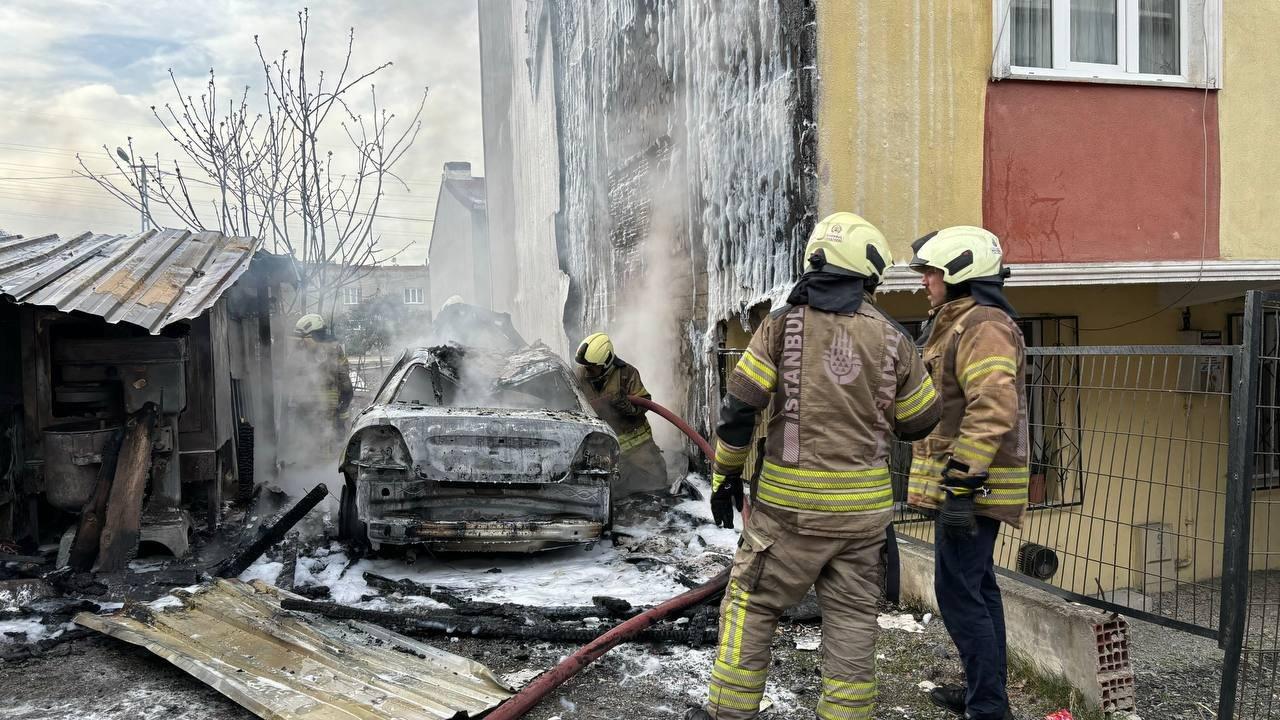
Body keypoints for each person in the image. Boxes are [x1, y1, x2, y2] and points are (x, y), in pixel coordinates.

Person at [687, 212, 941, 720]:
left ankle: (729, 715)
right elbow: (919, 422)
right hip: (863, 519)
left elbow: (740, 409)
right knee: (851, 619)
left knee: (752, 603)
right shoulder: (893, 338)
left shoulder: (781, 325)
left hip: (789, 514)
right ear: (865, 274)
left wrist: (725, 476)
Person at [907, 226, 1028, 720]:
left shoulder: (982, 325)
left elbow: (993, 405)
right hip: (970, 483)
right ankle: (986, 693)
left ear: (958, 272)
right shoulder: (961, 322)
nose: (925, 282)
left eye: (932, 273)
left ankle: (988, 707)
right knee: (977, 589)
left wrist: (960, 484)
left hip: (972, 487)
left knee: (958, 595)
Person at [573, 333, 669, 497]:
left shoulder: (627, 373)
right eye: (585, 367)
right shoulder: (581, 373)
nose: (587, 372)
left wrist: (628, 407)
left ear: (606, 362)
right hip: (603, 445)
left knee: (658, 482)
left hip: (637, 443)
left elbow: (645, 403)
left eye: (591, 367)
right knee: (605, 488)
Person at [291, 313, 354, 456]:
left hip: (328, 406)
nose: (300, 342)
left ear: (313, 335)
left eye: (303, 338)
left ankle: (325, 472)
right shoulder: (306, 352)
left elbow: (344, 380)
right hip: (309, 407)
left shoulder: (330, 351)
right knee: (313, 442)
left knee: (328, 441)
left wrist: (343, 405)